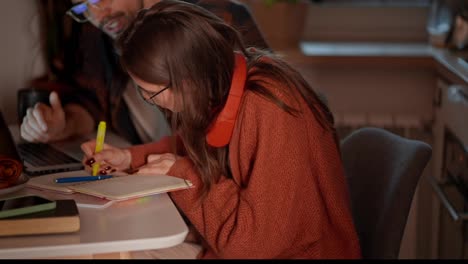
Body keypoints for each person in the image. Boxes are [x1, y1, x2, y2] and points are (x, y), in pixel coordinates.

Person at [80, 0, 361, 259]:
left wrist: (183, 175)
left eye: (152, 93)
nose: (152, 102)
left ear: (187, 80)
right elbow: (197, 145)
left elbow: (252, 246)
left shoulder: (269, 104)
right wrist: (129, 158)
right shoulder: (226, 84)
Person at [20, 0, 270, 145]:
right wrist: (62, 125)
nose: (97, 15)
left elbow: (262, 116)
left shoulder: (219, 19)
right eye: (83, 7)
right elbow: (92, 104)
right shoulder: (96, 35)